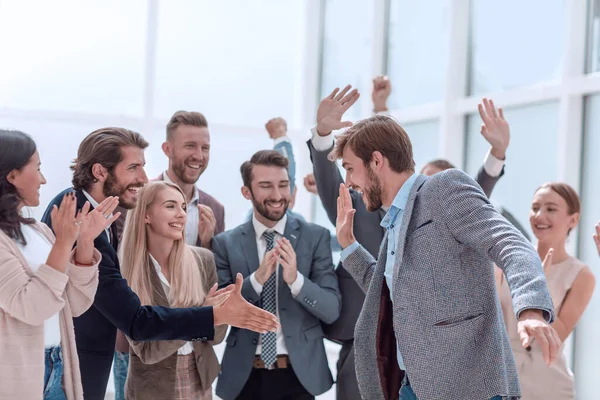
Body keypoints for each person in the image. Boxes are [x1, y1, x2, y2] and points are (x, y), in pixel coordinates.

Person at [330, 85, 560, 400]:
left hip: (468, 388)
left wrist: (531, 309)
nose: (350, 183)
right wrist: (349, 245)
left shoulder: (442, 189)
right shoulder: (396, 221)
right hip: (414, 387)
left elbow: (511, 244)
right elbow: (385, 292)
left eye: (350, 169)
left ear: (377, 161)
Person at [41, 127, 279, 400]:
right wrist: (213, 314)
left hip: (81, 369)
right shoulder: (77, 214)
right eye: (134, 167)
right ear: (99, 172)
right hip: (66, 372)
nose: (143, 178)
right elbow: (137, 322)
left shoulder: (102, 216)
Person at [306, 82, 508, 400]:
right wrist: (322, 133)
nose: (422, 188)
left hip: (442, 365)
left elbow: (492, 222)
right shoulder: (359, 207)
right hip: (373, 351)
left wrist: (533, 309)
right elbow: (367, 159)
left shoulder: (441, 198)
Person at [213, 150, 341, 400]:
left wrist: (296, 281)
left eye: (283, 185)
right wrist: (257, 279)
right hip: (244, 377)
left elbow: (331, 309)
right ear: (246, 192)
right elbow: (219, 312)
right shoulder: (225, 244)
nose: (277, 195)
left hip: (299, 376)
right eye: (266, 186)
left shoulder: (316, 237)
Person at [0, 129, 116, 399]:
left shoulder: (39, 232)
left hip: (59, 364)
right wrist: (64, 244)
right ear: (12, 176)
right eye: (37, 168)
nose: (43, 179)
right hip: (18, 373)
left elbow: (73, 305)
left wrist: (85, 241)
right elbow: (32, 308)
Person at [121, 181, 229, 399]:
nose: (181, 214)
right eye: (170, 206)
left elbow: (216, 336)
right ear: (145, 215)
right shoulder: (127, 272)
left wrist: (214, 315)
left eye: (182, 207)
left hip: (200, 379)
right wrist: (201, 317)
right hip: (152, 389)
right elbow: (148, 352)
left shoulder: (203, 260)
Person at [495, 183, 595, 399]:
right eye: (535, 208)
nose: (539, 215)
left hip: (547, 386)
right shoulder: (508, 259)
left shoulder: (581, 275)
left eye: (551, 209)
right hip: (500, 379)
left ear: (573, 219)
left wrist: (540, 284)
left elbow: (556, 335)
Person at [158, 111, 225, 249]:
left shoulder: (216, 209)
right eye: (190, 146)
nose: (199, 156)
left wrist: (207, 244)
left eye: (205, 148)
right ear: (167, 149)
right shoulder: (139, 198)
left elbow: (217, 268)